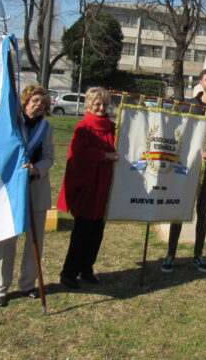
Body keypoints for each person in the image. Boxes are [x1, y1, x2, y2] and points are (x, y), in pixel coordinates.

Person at [161, 68, 206, 273]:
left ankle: (198, 254)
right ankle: (171, 254)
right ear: (201, 82)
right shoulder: (189, 106)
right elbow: (177, 133)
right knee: (180, 209)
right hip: (186, 168)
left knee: (203, 211)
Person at [0, 85, 54, 307]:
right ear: (25, 102)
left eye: (42, 103)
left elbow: (49, 157)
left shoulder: (46, 128)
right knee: (7, 240)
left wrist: (36, 168)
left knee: (34, 242)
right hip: (11, 191)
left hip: (36, 188)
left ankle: (28, 283)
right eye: (35, 100)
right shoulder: (12, 124)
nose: (38, 105)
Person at [57, 87, 119, 289]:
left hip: (105, 188)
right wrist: (104, 156)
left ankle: (87, 268)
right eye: (97, 105)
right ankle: (69, 273)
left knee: (97, 232)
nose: (101, 108)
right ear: (89, 106)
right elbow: (80, 155)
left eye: (104, 104)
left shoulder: (114, 128)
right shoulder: (82, 128)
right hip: (87, 187)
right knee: (82, 233)